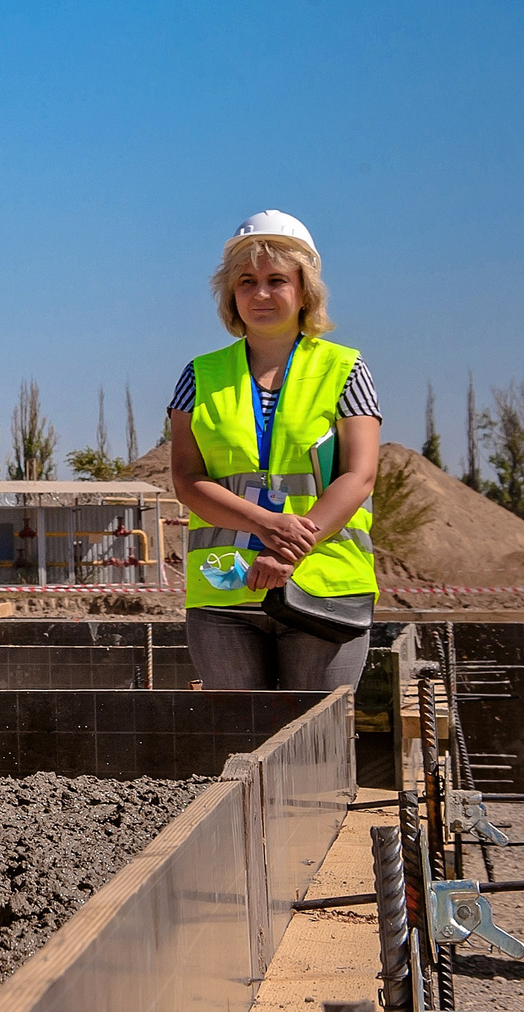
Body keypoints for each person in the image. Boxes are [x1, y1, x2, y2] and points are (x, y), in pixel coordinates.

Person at [170, 210, 382, 691]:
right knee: (241, 747)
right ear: (231, 294)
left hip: (323, 587)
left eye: (276, 280)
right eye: (246, 281)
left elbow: (359, 476)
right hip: (225, 594)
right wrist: (268, 525)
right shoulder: (198, 376)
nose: (260, 293)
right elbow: (187, 480)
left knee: (315, 747)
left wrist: (289, 552)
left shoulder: (345, 369)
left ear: (304, 289)